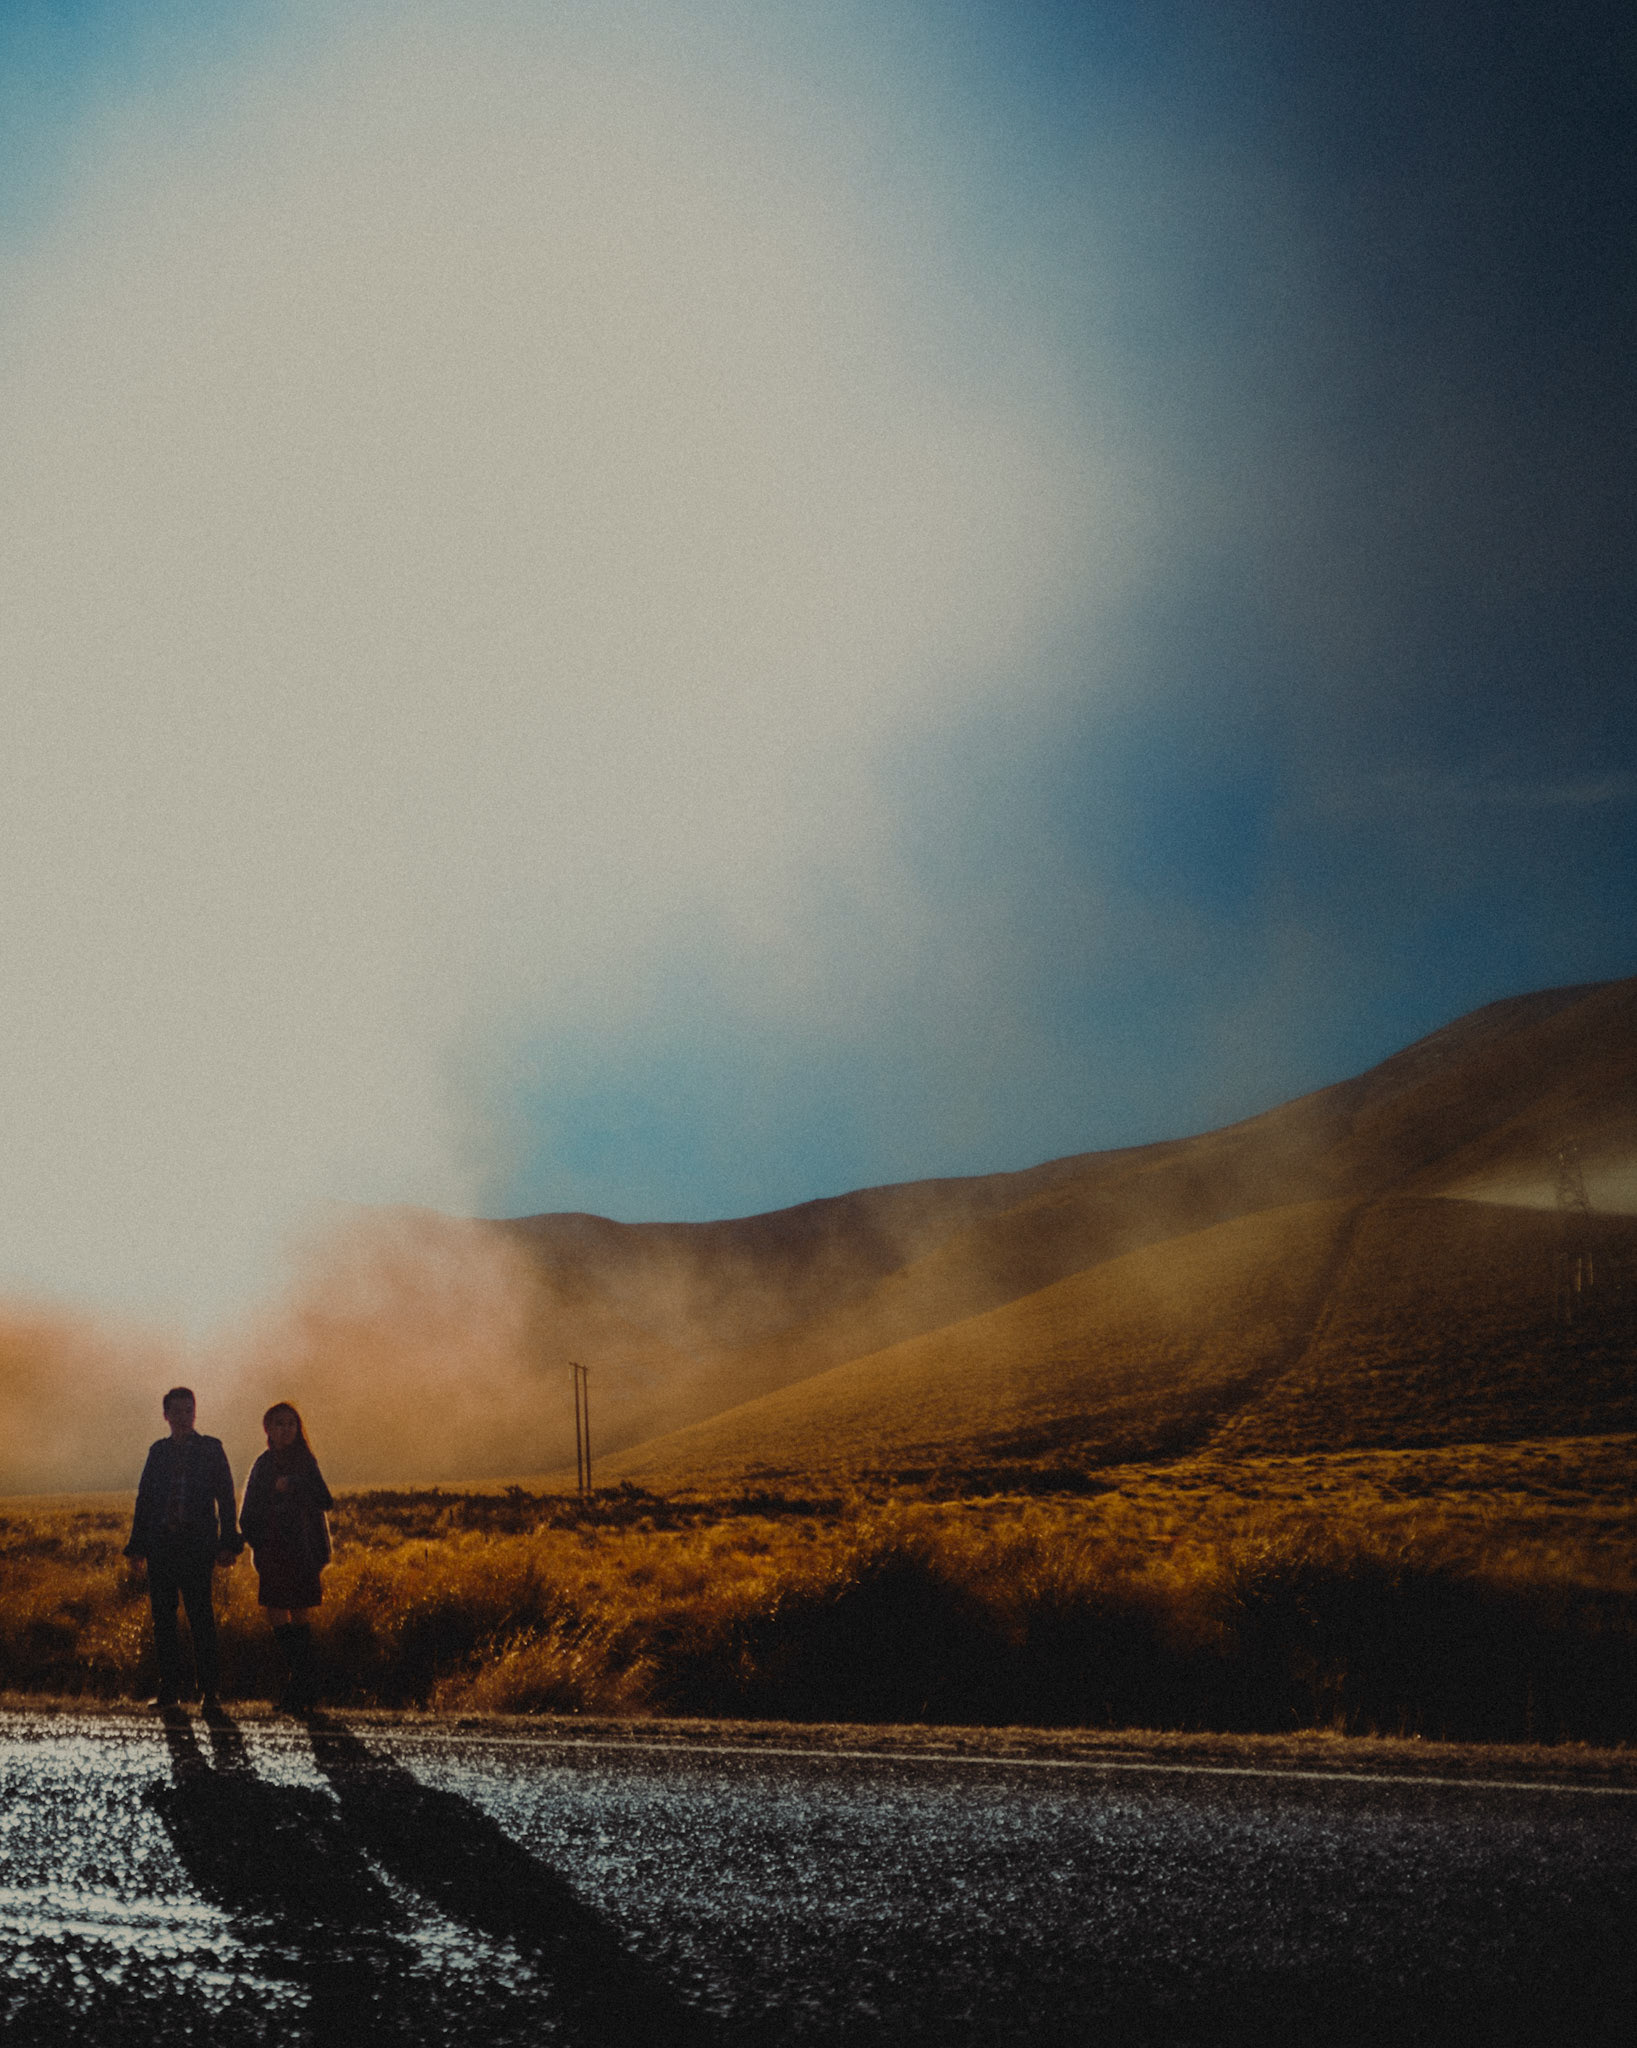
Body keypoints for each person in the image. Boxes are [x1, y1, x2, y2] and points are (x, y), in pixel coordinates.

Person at [125, 1387, 242, 1708]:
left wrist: (228, 1543)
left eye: (188, 1410)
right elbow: (145, 1500)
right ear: (166, 1415)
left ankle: (210, 1692)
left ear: (195, 1412)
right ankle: (169, 1691)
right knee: (163, 1620)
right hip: (161, 1545)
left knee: (200, 1617)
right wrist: (137, 1546)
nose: (183, 1417)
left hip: (197, 1546)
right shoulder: (158, 1452)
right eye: (176, 1411)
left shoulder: (211, 1449)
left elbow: (226, 1499)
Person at [238, 1402, 334, 1713]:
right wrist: (258, 1544)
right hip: (273, 1550)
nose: (286, 1429)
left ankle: (301, 1685)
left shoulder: (306, 1462)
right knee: (277, 1613)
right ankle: (303, 1683)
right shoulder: (263, 1464)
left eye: (291, 1423)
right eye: (279, 1423)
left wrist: (293, 1484)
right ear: (268, 1429)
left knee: (301, 1614)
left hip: (303, 1551)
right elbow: (248, 1511)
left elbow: (325, 1499)